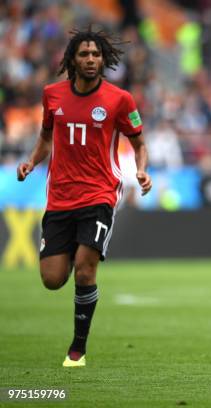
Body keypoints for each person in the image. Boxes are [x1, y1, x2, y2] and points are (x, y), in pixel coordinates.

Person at [16, 28, 152, 367]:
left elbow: (139, 143)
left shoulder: (120, 99)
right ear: (71, 60)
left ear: (103, 59)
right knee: (52, 279)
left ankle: (78, 347)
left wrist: (141, 170)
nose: (90, 60)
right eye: (84, 55)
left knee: (85, 269)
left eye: (95, 55)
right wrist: (31, 162)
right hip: (60, 196)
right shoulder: (52, 95)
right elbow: (46, 138)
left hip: (99, 193)